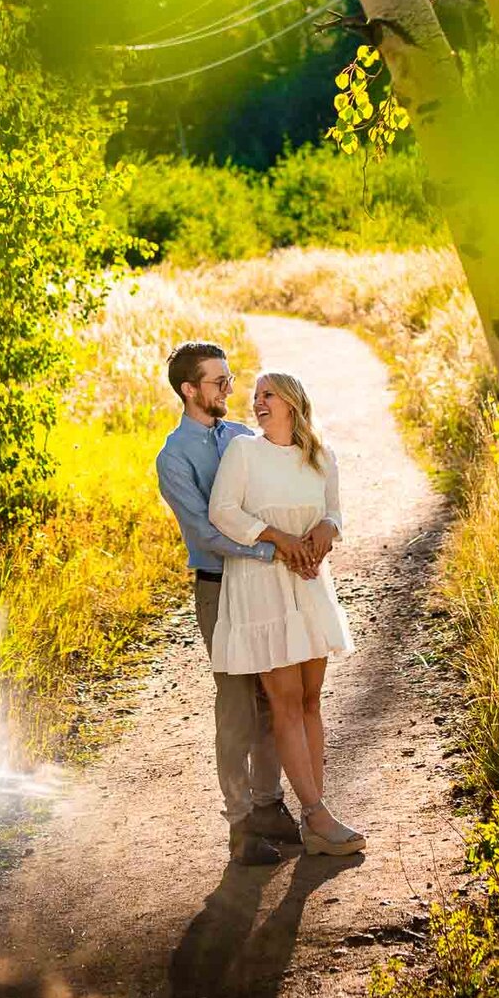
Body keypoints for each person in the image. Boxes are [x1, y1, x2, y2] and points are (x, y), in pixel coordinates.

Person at [156, 341, 333, 866]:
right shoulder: (174, 457)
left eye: (230, 380)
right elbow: (206, 531)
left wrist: (306, 540)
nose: (231, 390)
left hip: (267, 582)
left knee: (272, 699)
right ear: (190, 390)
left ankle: (270, 804)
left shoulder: (242, 437)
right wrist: (274, 547)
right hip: (219, 584)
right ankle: (239, 826)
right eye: (218, 382)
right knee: (235, 705)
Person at [206, 371, 361, 855]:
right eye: (255, 396)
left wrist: (322, 534)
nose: (258, 403)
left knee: (312, 698)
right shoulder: (244, 452)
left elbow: (335, 513)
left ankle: (317, 817)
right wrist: (278, 538)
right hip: (262, 585)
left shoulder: (320, 455)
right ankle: (316, 815)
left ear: (292, 401)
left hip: (310, 581)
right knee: (286, 700)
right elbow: (222, 511)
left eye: (267, 395)